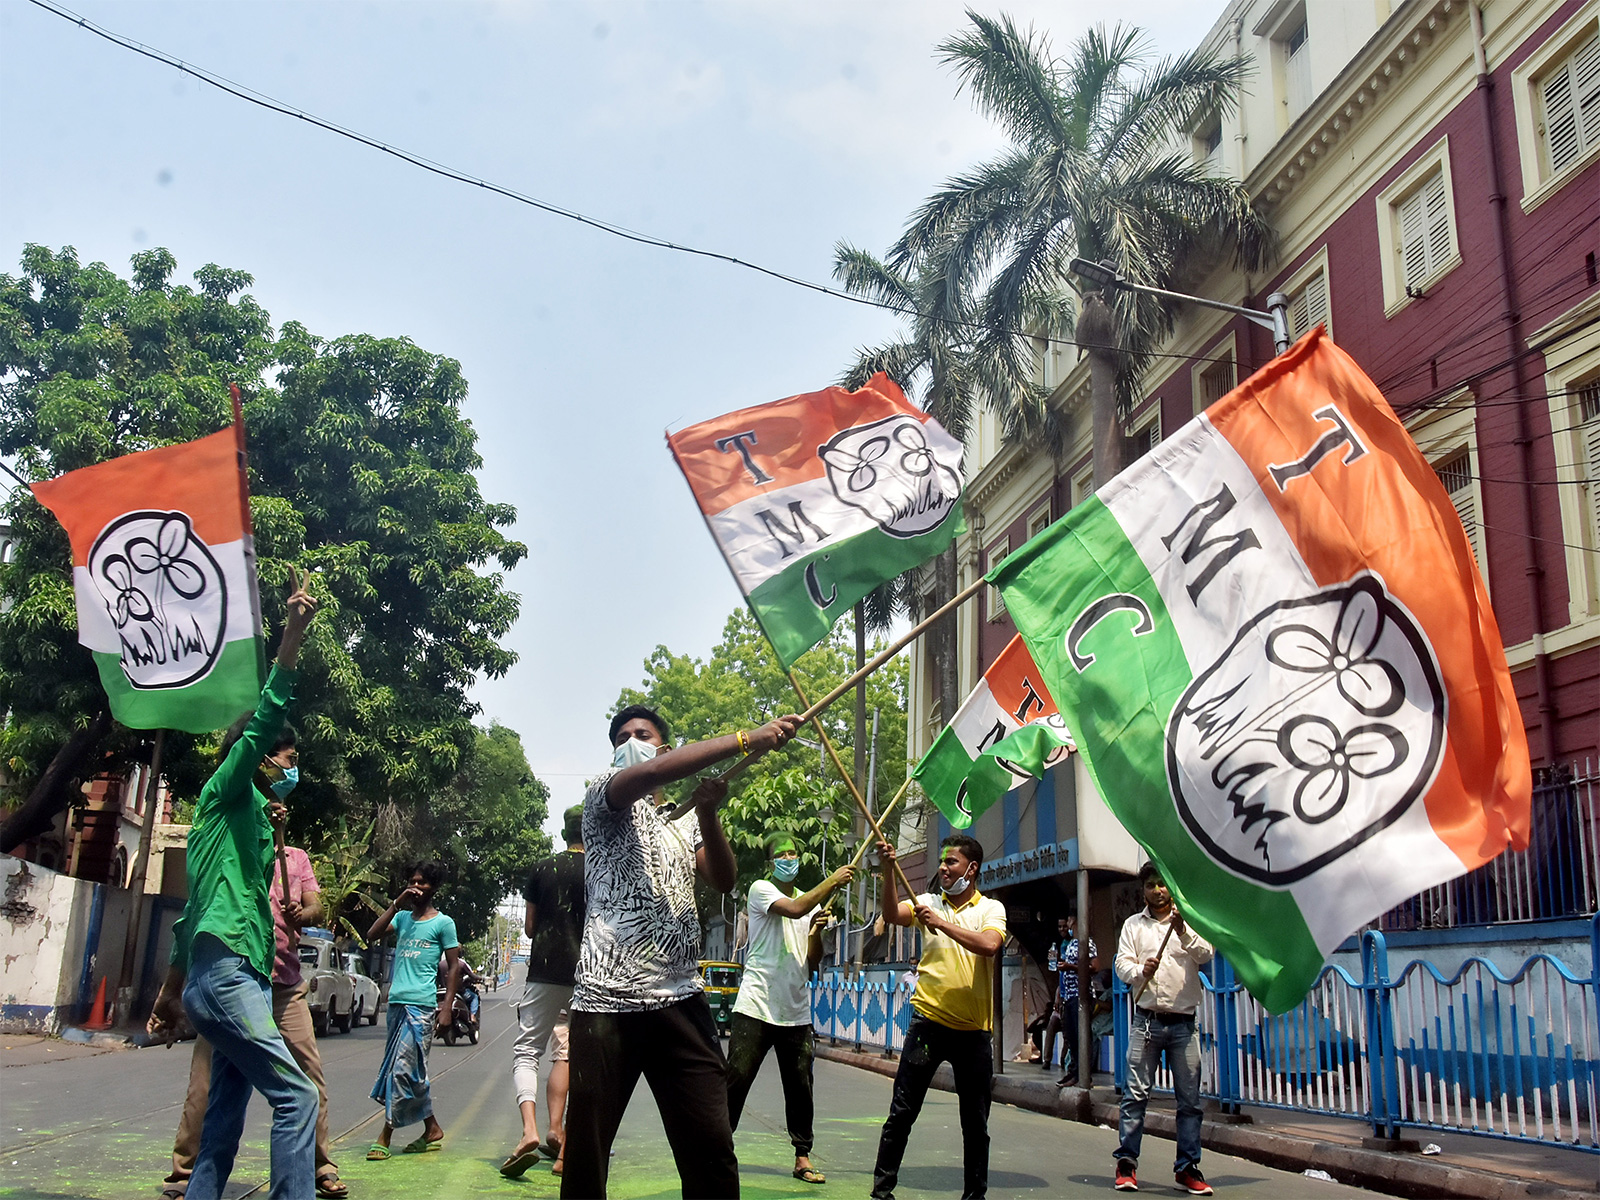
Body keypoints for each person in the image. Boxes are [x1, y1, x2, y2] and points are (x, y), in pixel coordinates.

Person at [561, 703, 802, 1200]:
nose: (632, 743)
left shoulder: (684, 819)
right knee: (588, 1153)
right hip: (606, 1003)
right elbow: (650, 774)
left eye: (642, 735)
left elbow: (724, 879)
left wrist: (708, 812)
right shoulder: (604, 798)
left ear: (665, 746)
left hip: (681, 999)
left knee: (711, 1146)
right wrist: (749, 739)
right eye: (622, 738)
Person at [146, 570, 321, 1200]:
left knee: (221, 1120)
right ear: (260, 755)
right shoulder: (227, 787)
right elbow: (266, 715)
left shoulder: (238, 826)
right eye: (287, 759)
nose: (291, 770)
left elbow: (187, 922)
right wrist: (292, 637)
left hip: (218, 976)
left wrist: (169, 995)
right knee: (298, 1095)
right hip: (229, 978)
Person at [158, 794, 346, 1200]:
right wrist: (170, 991)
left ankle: (320, 1166)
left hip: (282, 986)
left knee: (306, 1080)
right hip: (235, 988)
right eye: (265, 803)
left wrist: (302, 913)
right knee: (208, 1090)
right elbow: (192, 922)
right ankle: (184, 1174)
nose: (273, 808)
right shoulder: (232, 855)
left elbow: (316, 907)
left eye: (279, 805)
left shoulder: (294, 859)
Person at [870, 834, 1007, 1200]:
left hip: (973, 1032)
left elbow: (990, 945)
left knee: (975, 1123)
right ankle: (881, 1191)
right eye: (942, 861)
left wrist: (943, 924)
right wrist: (888, 870)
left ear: (971, 869)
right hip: (927, 1025)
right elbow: (891, 915)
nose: (943, 868)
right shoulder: (926, 902)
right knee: (902, 1111)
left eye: (951, 862)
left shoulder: (991, 909)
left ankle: (974, 1195)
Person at [724, 832, 854, 1185]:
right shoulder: (762, 890)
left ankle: (802, 1155)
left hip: (795, 1009)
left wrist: (815, 932)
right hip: (756, 1004)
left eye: (793, 853)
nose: (788, 859)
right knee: (736, 1078)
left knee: (800, 1085)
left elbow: (812, 960)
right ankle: (717, 1144)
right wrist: (833, 880)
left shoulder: (810, 904)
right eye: (781, 854)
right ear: (770, 863)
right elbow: (794, 908)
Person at [1113, 862, 1215, 1196]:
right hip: (1146, 1022)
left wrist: (1183, 930)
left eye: (1162, 884)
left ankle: (1187, 1168)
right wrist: (1141, 971)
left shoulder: (1190, 921)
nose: (1157, 890)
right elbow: (1122, 964)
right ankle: (1126, 1163)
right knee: (1135, 1096)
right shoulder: (1133, 925)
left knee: (1190, 1102)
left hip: (1184, 1024)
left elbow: (1206, 953)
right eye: (1151, 885)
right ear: (1143, 890)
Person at [500, 803, 587, 1179]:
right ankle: (565, 1147)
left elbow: (530, 928)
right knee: (577, 1058)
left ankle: (530, 1131)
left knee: (527, 1051)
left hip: (545, 972)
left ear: (564, 832)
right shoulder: (599, 869)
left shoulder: (541, 868)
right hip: (588, 975)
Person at [365, 860, 462, 1159]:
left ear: (434, 887)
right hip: (397, 1003)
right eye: (413, 882)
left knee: (402, 1071)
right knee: (413, 1073)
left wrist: (446, 1009)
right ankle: (432, 1128)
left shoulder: (443, 923)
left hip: (421, 1006)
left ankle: (385, 1135)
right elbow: (372, 934)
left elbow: (454, 967)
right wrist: (397, 903)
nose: (416, 887)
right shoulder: (402, 918)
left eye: (422, 882)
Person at [1044, 913, 1099, 1087]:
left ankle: (1083, 1074)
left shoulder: (1086, 942)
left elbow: (1094, 967)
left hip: (1080, 995)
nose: (1066, 925)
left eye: (1068, 921)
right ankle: (1074, 1071)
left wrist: (1071, 967)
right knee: (1070, 1035)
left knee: (1080, 1034)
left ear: (1074, 922)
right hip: (1068, 995)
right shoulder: (1070, 944)